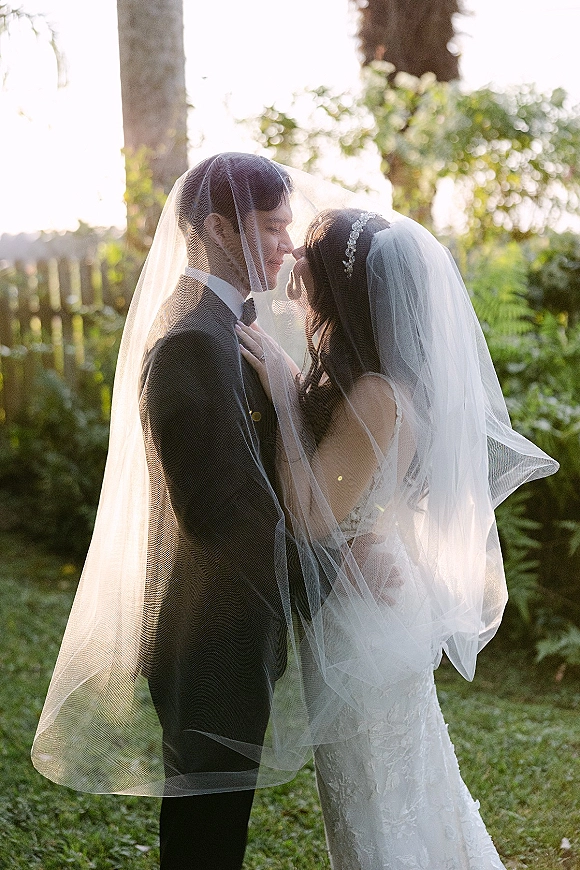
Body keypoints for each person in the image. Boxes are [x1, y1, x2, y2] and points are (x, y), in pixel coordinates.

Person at [236, 205, 559, 869]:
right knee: (400, 790)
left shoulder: (378, 394)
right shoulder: (375, 385)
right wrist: (297, 392)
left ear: (343, 291)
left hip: (364, 628)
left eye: (309, 275)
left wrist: (279, 387)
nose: (296, 287)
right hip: (371, 600)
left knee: (375, 801)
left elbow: (309, 513)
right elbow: (347, 490)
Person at [31, 153, 313, 870]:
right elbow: (224, 515)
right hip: (211, 633)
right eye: (273, 227)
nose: (288, 243)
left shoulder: (220, 327)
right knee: (205, 843)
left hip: (226, 624)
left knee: (215, 832)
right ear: (219, 227)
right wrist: (336, 570)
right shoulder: (193, 340)